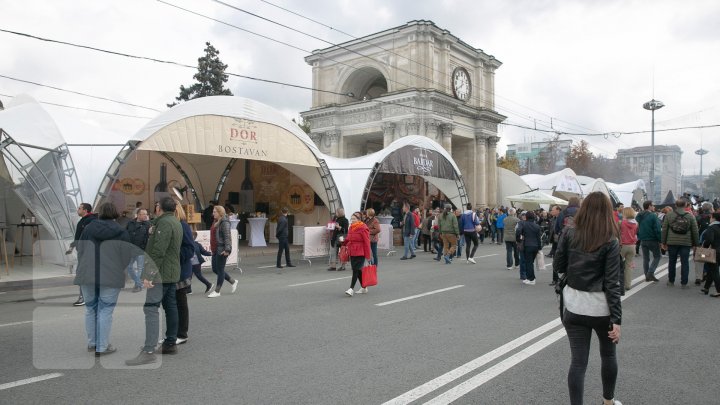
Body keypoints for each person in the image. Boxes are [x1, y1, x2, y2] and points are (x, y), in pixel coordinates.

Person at [553, 191, 623, 405]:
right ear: (607, 211)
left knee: (578, 362)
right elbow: (612, 282)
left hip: (574, 305)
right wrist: (617, 319)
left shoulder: (569, 232)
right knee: (608, 356)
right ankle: (608, 401)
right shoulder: (610, 238)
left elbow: (558, 266)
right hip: (601, 308)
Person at [125, 197, 183, 366]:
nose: (154, 208)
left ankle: (149, 350)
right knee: (170, 306)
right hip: (171, 272)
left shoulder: (164, 224)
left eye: (156, 206)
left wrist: (149, 275)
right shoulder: (174, 221)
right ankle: (170, 342)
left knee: (150, 308)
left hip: (161, 273)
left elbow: (158, 251)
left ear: (160, 208)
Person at [74, 202, 133, 356]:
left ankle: (92, 343)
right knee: (105, 311)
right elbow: (126, 255)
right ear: (115, 214)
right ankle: (102, 346)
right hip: (110, 275)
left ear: (99, 213)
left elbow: (80, 249)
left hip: (87, 274)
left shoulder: (88, 228)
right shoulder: (121, 231)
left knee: (90, 309)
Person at [661, 198, 699, 288]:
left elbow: (664, 229)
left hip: (672, 242)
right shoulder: (690, 216)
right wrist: (696, 244)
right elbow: (695, 231)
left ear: (676, 205)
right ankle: (684, 283)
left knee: (672, 261)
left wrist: (663, 242)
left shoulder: (669, 215)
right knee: (685, 262)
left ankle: (671, 281)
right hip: (686, 242)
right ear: (685, 205)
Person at [67, 203, 97, 307]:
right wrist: (72, 247)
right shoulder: (83, 221)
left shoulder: (91, 221)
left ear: (85, 210)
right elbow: (78, 236)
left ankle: (84, 297)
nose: (77, 210)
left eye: (79, 208)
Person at [174, 203, 195, 345]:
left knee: (180, 302)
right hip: (172, 270)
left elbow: (189, 248)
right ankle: (174, 333)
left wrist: (175, 256)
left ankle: (182, 333)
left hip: (180, 271)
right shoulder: (169, 225)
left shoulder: (182, 225)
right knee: (172, 304)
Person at [207, 205, 239, 297]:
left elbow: (227, 237)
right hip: (215, 248)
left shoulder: (224, 222)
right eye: (213, 212)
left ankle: (217, 291)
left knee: (220, 270)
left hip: (221, 249)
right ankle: (233, 281)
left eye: (214, 212)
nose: (213, 213)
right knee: (215, 269)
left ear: (220, 213)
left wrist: (227, 249)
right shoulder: (216, 221)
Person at [343, 211, 372, 296]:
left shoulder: (363, 228)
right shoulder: (351, 227)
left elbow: (367, 242)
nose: (352, 220)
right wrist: (343, 242)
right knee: (358, 270)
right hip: (352, 251)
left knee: (355, 270)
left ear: (359, 219)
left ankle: (351, 289)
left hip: (360, 252)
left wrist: (368, 256)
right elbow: (348, 238)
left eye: (354, 219)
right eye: (351, 219)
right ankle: (364, 287)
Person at [125, 208, 150, 293]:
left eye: (146, 214)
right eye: (144, 214)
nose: (146, 215)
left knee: (140, 268)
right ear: (138, 215)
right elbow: (125, 234)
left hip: (141, 249)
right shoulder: (130, 223)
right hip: (130, 249)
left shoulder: (147, 224)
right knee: (128, 267)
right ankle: (138, 282)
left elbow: (149, 236)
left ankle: (138, 285)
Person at [636, 201, 661, 282]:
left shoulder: (639, 215)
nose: (654, 207)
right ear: (649, 206)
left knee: (646, 259)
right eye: (653, 205)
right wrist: (660, 240)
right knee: (657, 256)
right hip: (652, 239)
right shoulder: (653, 216)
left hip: (642, 239)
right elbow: (657, 229)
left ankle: (647, 275)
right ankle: (650, 272)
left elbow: (636, 227)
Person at [517, 211, 542, 285]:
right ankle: (529, 278)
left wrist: (518, 239)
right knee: (530, 262)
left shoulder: (524, 224)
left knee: (528, 263)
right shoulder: (536, 226)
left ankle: (532, 279)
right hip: (535, 246)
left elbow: (518, 231)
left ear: (526, 217)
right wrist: (539, 247)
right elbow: (538, 238)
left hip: (527, 245)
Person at [699, 212, 720, 297]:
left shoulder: (712, 227)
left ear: (713, 218)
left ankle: (719, 290)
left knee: (714, 270)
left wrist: (704, 246)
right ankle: (706, 287)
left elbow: (709, 240)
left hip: (715, 251)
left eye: (710, 217)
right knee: (712, 269)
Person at [619, 207, 638, 291]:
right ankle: (628, 285)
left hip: (622, 245)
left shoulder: (621, 222)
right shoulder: (636, 223)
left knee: (617, 265)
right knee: (629, 266)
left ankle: (618, 283)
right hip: (632, 245)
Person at [694, 202, 713, 285]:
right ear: (710, 209)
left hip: (701, 242)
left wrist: (695, 242)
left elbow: (695, 230)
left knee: (700, 259)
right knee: (711, 259)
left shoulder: (698, 217)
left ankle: (699, 277)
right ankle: (709, 275)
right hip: (712, 242)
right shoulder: (714, 217)